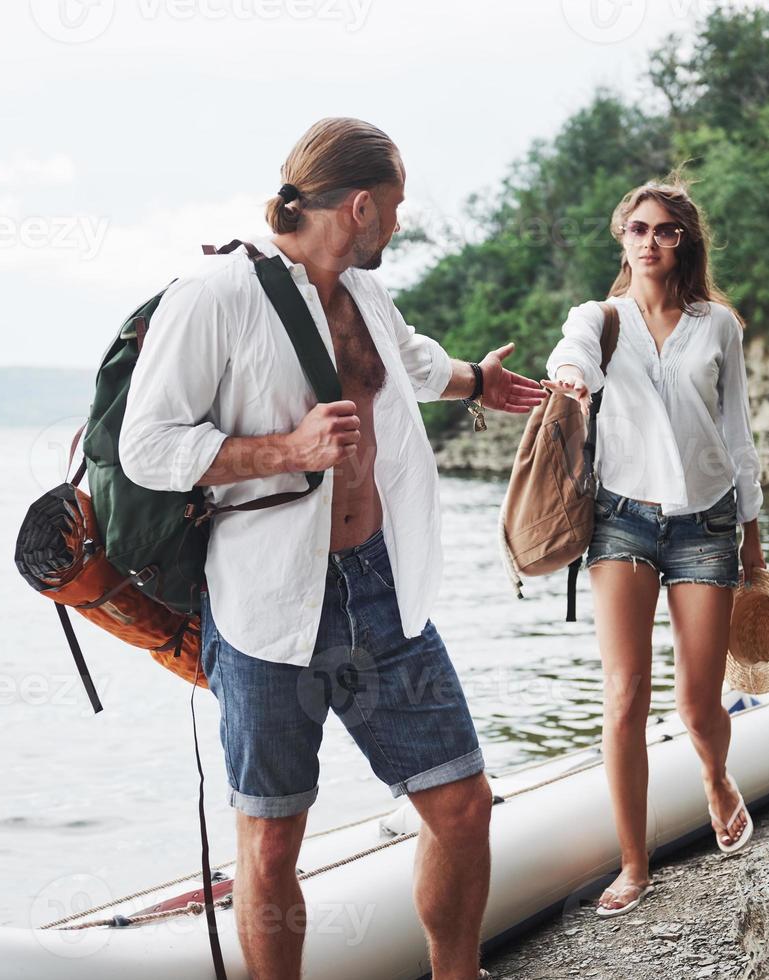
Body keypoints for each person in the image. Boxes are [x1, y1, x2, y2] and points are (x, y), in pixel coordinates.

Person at [118, 117, 546, 980]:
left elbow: (410, 364)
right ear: (360, 205)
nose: (397, 223)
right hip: (269, 608)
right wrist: (288, 450)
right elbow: (147, 446)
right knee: (272, 846)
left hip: (381, 591)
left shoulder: (363, 293)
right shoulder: (214, 296)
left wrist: (477, 381)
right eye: (393, 208)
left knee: (461, 806)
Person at [541, 176, 767, 918]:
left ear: (684, 242)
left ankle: (715, 777)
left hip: (706, 523)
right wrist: (570, 375)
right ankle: (633, 864)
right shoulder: (599, 319)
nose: (649, 241)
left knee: (700, 705)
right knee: (623, 696)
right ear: (621, 237)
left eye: (665, 230)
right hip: (621, 521)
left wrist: (753, 548)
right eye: (637, 229)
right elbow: (572, 352)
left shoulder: (717, 326)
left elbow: (737, 436)